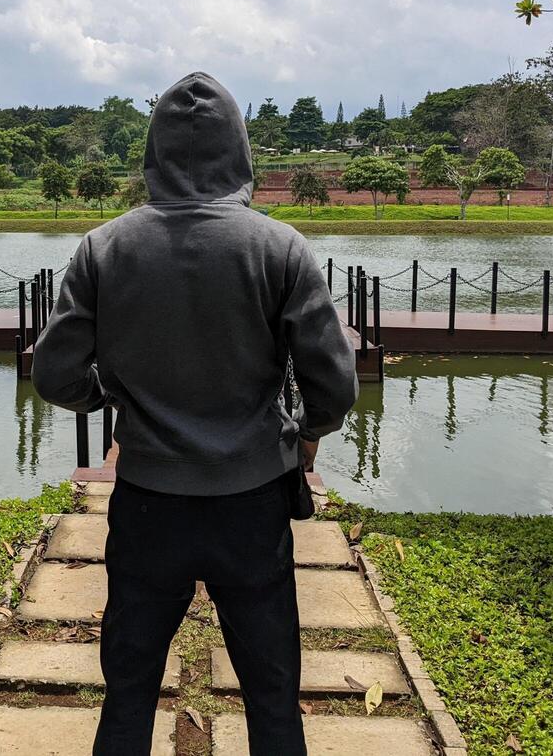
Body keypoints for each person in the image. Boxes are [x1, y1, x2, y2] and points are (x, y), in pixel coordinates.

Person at [32, 72, 357, 756]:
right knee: (271, 696)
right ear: (238, 152)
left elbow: (55, 372)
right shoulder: (279, 248)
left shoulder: (104, 247)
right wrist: (307, 435)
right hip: (252, 503)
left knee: (128, 694)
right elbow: (333, 383)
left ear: (153, 155)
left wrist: (107, 398)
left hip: (149, 501)